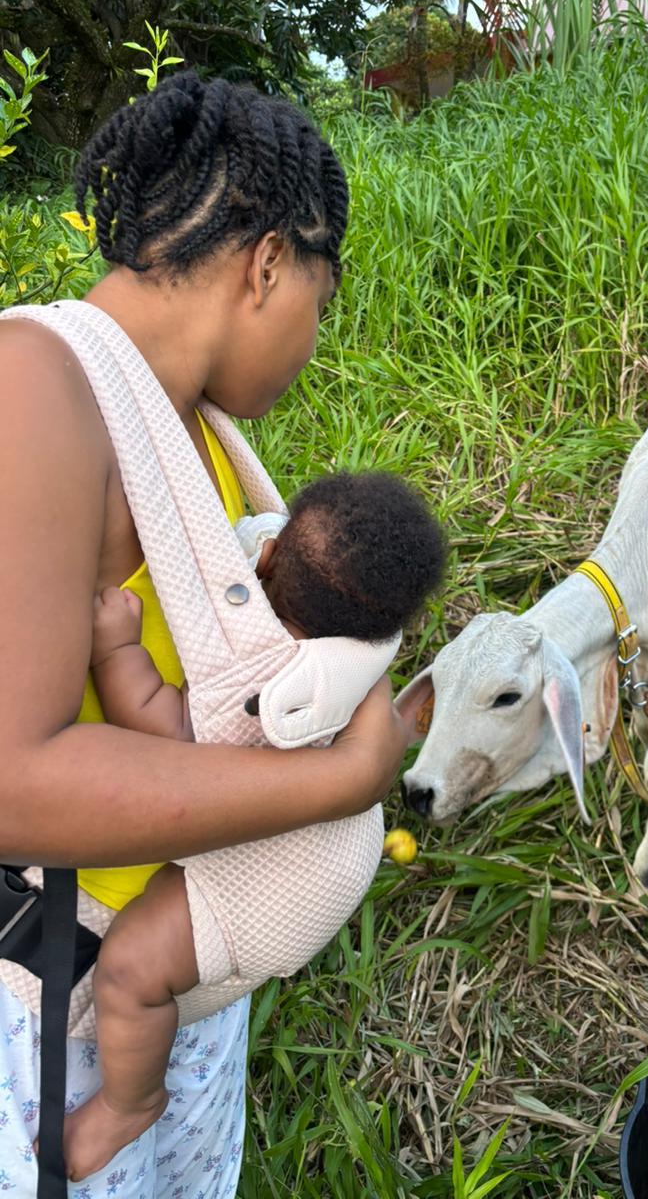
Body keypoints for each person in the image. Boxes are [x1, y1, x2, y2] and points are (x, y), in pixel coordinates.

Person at [0, 71, 416, 1198]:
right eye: (320, 304)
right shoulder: (36, 385)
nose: (314, 343)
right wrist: (344, 782)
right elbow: (17, 779)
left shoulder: (204, 437)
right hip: (55, 997)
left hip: (173, 961)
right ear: (268, 262)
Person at [57, 474, 444, 1181]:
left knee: (132, 970)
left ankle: (127, 1102)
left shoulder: (284, 684)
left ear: (266, 565)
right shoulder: (364, 643)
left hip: (281, 878)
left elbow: (165, 729)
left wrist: (116, 651)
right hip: (332, 837)